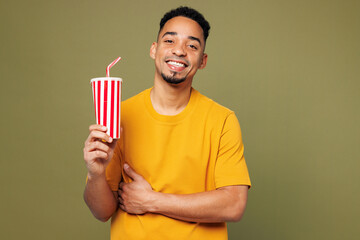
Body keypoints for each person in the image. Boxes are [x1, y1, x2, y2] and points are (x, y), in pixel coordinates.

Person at [83, 6, 251, 240]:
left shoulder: (222, 120)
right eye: (170, 40)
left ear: (202, 61)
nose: (179, 51)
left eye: (192, 45)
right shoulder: (119, 115)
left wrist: (153, 201)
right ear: (154, 49)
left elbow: (234, 205)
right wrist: (95, 174)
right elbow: (101, 212)